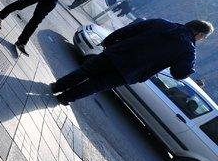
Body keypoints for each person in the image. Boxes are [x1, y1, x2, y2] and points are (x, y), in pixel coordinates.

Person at [50, 19, 214, 105]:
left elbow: (129, 30)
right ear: (199, 34)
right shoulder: (188, 49)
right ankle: (65, 98)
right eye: (204, 37)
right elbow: (179, 73)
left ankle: (57, 86)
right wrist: (190, 70)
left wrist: (109, 41)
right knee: (97, 84)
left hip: (117, 53)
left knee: (86, 71)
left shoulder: (161, 23)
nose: (201, 39)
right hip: (131, 71)